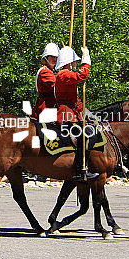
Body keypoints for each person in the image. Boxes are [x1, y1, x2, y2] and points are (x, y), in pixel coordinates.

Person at [55, 45, 97, 181]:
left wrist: (85, 111)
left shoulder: (66, 74)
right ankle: (80, 170)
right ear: (68, 61)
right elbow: (82, 75)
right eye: (74, 61)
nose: (76, 63)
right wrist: (87, 61)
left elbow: (74, 100)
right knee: (84, 136)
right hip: (65, 113)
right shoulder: (63, 74)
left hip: (72, 111)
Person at [31, 43, 59, 121]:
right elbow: (56, 87)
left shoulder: (50, 71)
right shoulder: (45, 72)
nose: (54, 59)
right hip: (47, 106)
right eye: (52, 57)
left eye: (56, 57)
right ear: (46, 58)